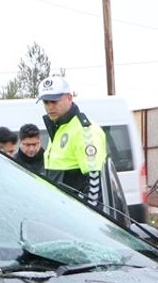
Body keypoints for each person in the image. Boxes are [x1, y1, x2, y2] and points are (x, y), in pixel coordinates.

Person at [37, 76, 112, 208]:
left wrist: (88, 220)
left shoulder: (84, 131)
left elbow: (94, 185)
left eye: (54, 101)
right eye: (46, 102)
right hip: (61, 212)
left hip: (76, 216)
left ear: (69, 98)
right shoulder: (58, 128)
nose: (49, 107)